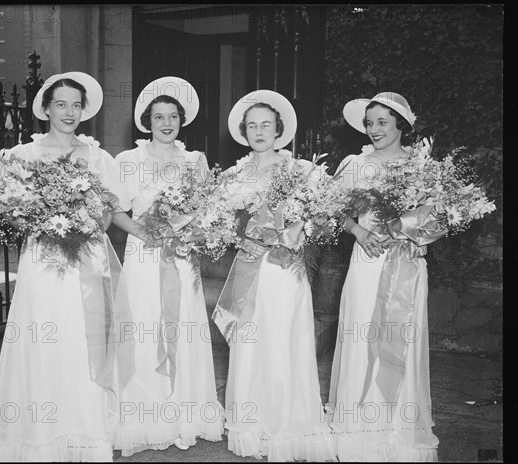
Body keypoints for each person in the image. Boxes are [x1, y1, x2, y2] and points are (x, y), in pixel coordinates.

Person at [0, 71, 132, 462]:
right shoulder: (22, 156)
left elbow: (112, 209)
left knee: (83, 338)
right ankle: (38, 433)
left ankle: (83, 429)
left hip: (87, 258)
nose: (69, 112)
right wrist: (31, 217)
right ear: (45, 108)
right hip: (43, 262)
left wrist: (91, 223)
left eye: (76, 105)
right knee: (42, 338)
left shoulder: (97, 156)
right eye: (60, 104)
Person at [211, 90, 337, 462]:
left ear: (279, 129)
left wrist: (296, 229)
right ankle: (251, 424)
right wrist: (238, 235)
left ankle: (288, 422)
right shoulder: (234, 174)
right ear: (243, 131)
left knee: (284, 338)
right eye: (252, 125)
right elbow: (218, 222)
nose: (259, 131)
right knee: (250, 340)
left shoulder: (302, 171)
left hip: (284, 270)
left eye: (266, 124)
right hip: (250, 269)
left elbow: (324, 219)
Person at [109, 76, 224, 456]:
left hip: (180, 255)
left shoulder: (195, 161)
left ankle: (185, 413)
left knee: (185, 326)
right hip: (142, 253)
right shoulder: (127, 160)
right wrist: (145, 231)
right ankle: (146, 415)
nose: (166, 123)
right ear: (147, 120)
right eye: (158, 116)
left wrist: (185, 231)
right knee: (143, 327)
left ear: (182, 119)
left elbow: (206, 208)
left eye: (172, 116)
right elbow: (116, 211)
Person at [327, 92, 439, 461]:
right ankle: (356, 430)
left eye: (382, 123)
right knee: (362, 336)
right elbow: (329, 211)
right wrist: (359, 232)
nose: (374, 130)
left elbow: (438, 217)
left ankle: (398, 432)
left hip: (405, 264)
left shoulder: (421, 166)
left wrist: (413, 234)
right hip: (367, 262)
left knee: (402, 339)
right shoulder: (356, 165)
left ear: (401, 126)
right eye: (370, 123)